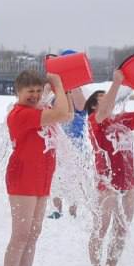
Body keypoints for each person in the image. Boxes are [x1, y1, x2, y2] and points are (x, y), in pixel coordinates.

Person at [3, 70, 73, 266]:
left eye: (37, 91)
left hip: (41, 179)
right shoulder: (20, 113)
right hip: (22, 179)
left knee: (33, 235)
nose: (33, 96)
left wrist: (59, 90)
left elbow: (68, 113)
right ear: (18, 92)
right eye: (28, 91)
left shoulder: (40, 112)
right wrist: (59, 85)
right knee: (20, 236)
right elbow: (62, 113)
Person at [86, 72, 134, 266]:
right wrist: (117, 82)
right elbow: (105, 109)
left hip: (128, 182)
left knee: (122, 228)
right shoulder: (95, 121)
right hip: (106, 182)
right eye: (102, 98)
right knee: (102, 226)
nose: (109, 99)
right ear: (94, 106)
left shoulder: (121, 121)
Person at [50, 85, 89, 219]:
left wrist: (72, 87)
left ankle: (73, 211)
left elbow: (82, 106)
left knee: (74, 178)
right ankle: (56, 209)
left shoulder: (76, 90)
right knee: (55, 177)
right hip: (56, 143)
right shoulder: (53, 93)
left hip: (75, 144)